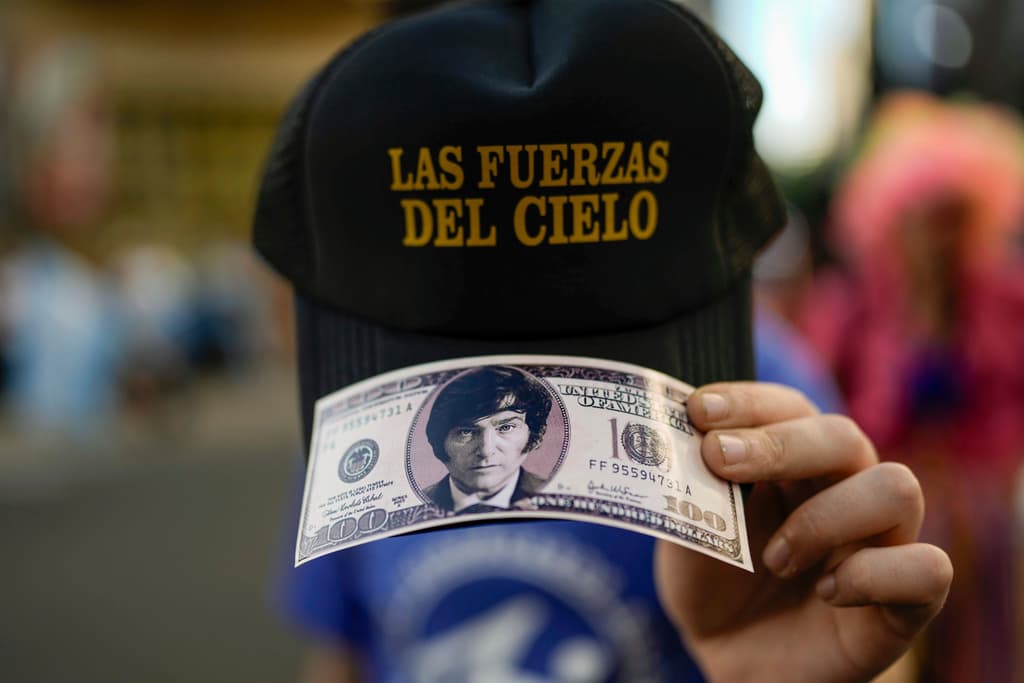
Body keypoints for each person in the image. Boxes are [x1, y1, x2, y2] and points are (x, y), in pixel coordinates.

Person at [253, 2, 953, 681]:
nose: (493, 441)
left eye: (507, 421)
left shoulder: (765, 406)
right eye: (457, 407)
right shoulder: (349, 425)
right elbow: (342, 653)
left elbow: (845, 622)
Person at [421, 365, 552, 512]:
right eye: (466, 432)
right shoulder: (423, 501)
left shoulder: (550, 494)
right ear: (440, 441)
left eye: (505, 428)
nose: (486, 451)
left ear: (533, 434)